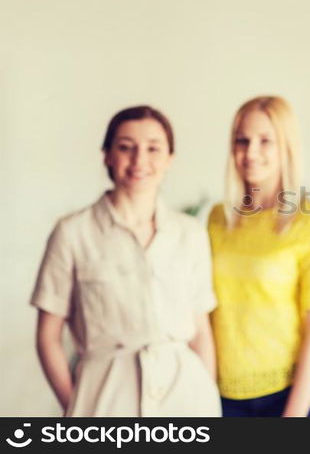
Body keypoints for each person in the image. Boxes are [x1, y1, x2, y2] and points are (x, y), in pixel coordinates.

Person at [32, 106, 220, 417]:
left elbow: (201, 331)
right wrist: (77, 406)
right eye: (125, 147)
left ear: (169, 158)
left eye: (153, 148)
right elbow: (47, 336)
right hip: (104, 397)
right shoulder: (72, 233)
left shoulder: (190, 234)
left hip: (185, 397)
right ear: (107, 154)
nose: (139, 160)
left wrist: (207, 400)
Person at [208, 96, 310, 417]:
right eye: (242, 140)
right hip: (224, 398)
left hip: (294, 398)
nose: (250, 152)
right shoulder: (217, 218)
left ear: (286, 147)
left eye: (265, 141)